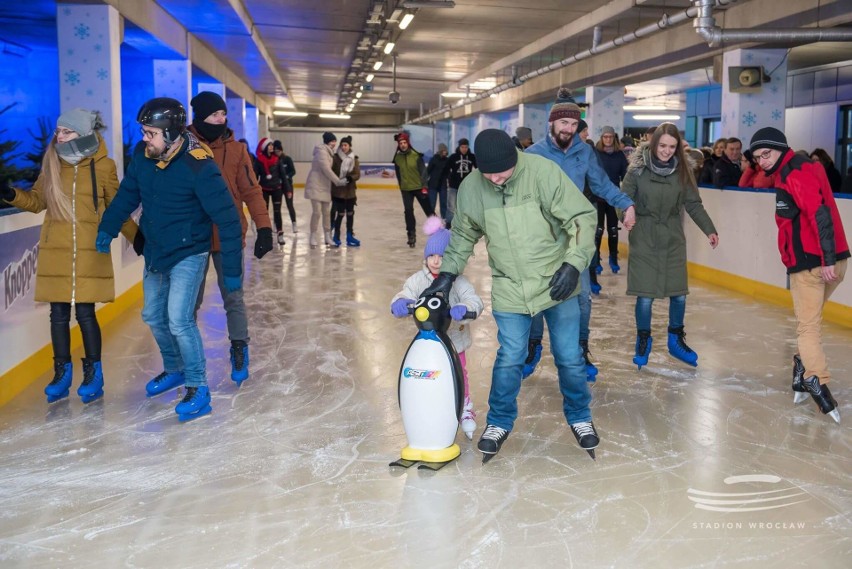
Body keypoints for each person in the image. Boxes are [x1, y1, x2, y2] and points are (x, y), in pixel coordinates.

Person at [421, 128, 599, 461]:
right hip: (510, 285)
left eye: (503, 173)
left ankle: (579, 416)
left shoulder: (543, 173)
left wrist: (574, 265)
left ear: (515, 159)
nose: (497, 180)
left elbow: (582, 218)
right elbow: (461, 236)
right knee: (510, 356)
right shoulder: (474, 187)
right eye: (489, 174)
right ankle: (500, 421)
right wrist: (446, 276)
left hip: (557, 280)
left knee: (569, 357)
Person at [96, 97, 243, 421]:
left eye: (150, 133)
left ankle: (198, 387)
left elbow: (228, 220)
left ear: (172, 133)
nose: (145, 138)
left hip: (189, 252)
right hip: (156, 250)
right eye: (144, 132)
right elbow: (127, 195)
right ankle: (174, 368)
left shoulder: (199, 165)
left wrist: (231, 272)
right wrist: (108, 227)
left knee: (179, 318)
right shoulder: (142, 156)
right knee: (152, 315)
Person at [0, 109, 138, 404]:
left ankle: (94, 373)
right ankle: (61, 373)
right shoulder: (51, 164)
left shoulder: (104, 166)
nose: (58, 136)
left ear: (82, 134)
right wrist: (10, 194)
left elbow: (117, 208)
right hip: (57, 250)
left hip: (90, 250)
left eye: (66, 132)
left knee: (86, 314)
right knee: (58, 314)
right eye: (58, 132)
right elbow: (37, 201)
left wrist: (138, 239)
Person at [524, 88, 636, 383]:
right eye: (564, 124)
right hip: (543, 237)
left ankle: (580, 348)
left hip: (577, 236)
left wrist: (626, 204)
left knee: (582, 298)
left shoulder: (585, 152)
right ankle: (533, 346)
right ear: (552, 123)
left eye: (574, 125)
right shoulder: (533, 155)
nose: (569, 130)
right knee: (537, 294)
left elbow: (602, 185)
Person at [750, 127, 848, 423]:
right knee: (811, 322)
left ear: (781, 148)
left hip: (812, 264)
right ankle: (800, 366)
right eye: (757, 157)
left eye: (767, 154)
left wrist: (825, 258)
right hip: (832, 261)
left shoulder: (794, 173)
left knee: (808, 328)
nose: (762, 161)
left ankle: (816, 380)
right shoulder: (802, 167)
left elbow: (819, 213)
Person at [187, 91, 273, 385]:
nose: (221, 120)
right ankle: (189, 357)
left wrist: (264, 227)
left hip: (228, 236)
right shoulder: (183, 148)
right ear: (200, 117)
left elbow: (251, 191)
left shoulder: (237, 151)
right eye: (215, 115)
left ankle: (239, 348)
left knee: (233, 296)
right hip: (193, 236)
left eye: (223, 114)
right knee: (190, 303)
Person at [621, 123, 719, 369]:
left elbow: (693, 204)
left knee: (679, 294)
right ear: (654, 144)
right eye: (662, 145)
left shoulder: (683, 170)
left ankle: (676, 339)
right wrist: (626, 213)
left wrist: (709, 229)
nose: (666, 151)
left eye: (672, 147)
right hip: (644, 235)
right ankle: (643, 339)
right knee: (645, 296)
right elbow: (622, 199)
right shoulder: (637, 169)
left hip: (673, 237)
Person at [391, 216, 484, 439]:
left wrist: (464, 309)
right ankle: (431, 405)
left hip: (455, 342)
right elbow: (405, 294)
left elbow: (475, 301)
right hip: (429, 341)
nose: (435, 261)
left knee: (459, 374)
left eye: (442, 256)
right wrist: (400, 303)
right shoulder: (418, 280)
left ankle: (465, 407)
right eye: (431, 255)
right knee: (431, 375)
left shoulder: (458, 281)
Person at [594, 125, 628, 277]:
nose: (607, 139)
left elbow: (625, 176)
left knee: (613, 230)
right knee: (598, 230)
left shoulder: (619, 155)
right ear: (601, 138)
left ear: (614, 138)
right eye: (605, 137)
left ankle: (613, 258)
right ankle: (596, 261)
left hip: (613, 198)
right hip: (598, 198)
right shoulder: (595, 154)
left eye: (610, 137)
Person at [393, 132, 434, 247]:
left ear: (408, 143)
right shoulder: (397, 158)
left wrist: (425, 186)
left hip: (419, 188)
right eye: (400, 143)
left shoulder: (416, 156)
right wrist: (401, 187)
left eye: (404, 142)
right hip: (406, 189)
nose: (403, 145)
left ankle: (438, 231)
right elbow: (398, 174)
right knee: (408, 211)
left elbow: (423, 173)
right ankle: (411, 235)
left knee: (428, 210)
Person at [304, 132, 344, 248]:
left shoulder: (329, 153)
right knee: (317, 212)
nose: (334, 144)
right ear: (327, 142)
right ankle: (313, 235)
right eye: (332, 141)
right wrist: (337, 181)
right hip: (315, 184)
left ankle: (327, 236)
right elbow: (326, 169)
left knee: (326, 212)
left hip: (325, 186)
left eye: (335, 142)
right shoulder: (321, 151)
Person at [330, 135, 361, 247]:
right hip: (338, 192)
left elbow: (357, 174)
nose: (343, 147)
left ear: (349, 146)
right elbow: (331, 172)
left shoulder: (354, 159)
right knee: (340, 214)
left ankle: (349, 235)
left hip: (350, 192)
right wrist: (338, 180)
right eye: (342, 145)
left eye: (346, 145)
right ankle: (336, 235)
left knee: (350, 214)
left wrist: (350, 178)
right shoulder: (335, 158)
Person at [439, 138, 477, 229]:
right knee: (451, 206)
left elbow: (479, 168)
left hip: (466, 186)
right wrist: (447, 179)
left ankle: (465, 223)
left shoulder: (472, 157)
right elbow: (446, 169)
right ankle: (449, 223)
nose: (464, 149)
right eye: (462, 147)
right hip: (454, 186)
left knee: (466, 205)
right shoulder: (453, 157)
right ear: (459, 147)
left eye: (466, 147)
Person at [255, 137, 286, 245]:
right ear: (265, 147)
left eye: (272, 145)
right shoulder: (259, 160)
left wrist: (287, 190)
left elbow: (283, 175)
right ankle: (265, 236)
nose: (272, 147)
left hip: (277, 188)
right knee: (265, 212)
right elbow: (255, 176)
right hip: (264, 189)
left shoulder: (277, 160)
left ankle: (280, 234)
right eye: (270, 145)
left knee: (277, 212)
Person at [273, 140, 298, 232]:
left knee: (290, 205)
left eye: (279, 151)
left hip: (288, 186)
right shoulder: (274, 160)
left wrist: (287, 176)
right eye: (276, 151)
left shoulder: (287, 159)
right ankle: (276, 224)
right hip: (277, 186)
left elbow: (293, 171)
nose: (277, 153)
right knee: (277, 207)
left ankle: (294, 223)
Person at [425, 143, 450, 219]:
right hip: (433, 185)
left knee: (443, 204)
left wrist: (450, 180)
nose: (445, 152)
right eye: (443, 150)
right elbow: (428, 171)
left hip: (443, 185)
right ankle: (431, 219)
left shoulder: (447, 160)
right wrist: (424, 182)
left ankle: (444, 219)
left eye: (446, 150)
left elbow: (448, 173)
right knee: (432, 204)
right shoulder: (434, 159)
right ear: (440, 151)